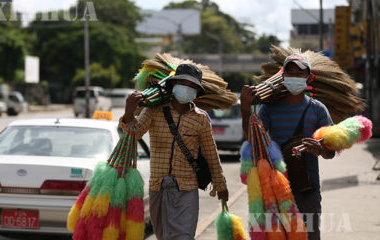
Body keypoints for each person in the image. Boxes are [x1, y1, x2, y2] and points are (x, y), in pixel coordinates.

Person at [120, 63, 229, 240]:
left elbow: (211, 154)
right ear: (173, 84)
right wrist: (128, 112)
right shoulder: (153, 111)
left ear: (197, 92)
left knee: (184, 237)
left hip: (187, 189)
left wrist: (221, 185)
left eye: (193, 86)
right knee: (163, 236)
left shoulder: (201, 119)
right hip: (158, 187)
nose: (188, 89)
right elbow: (133, 134)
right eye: (184, 84)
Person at [240, 54, 335, 240]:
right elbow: (253, 139)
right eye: (290, 72)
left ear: (308, 77)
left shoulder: (318, 109)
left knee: (309, 236)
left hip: (307, 190)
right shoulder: (269, 109)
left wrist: (321, 149)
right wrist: (245, 109)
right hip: (275, 189)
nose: (295, 77)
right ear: (282, 77)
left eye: (300, 73)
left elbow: (330, 152)